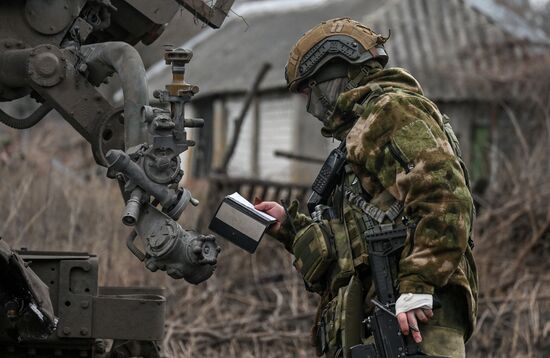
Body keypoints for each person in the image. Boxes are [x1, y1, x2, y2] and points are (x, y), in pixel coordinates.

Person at [255, 18, 478, 358]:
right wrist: (289, 226)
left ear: (337, 75)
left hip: (417, 321)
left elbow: (446, 198)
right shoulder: (361, 131)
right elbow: (353, 245)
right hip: (386, 321)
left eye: (311, 90)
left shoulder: (392, 111)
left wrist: (418, 284)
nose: (310, 104)